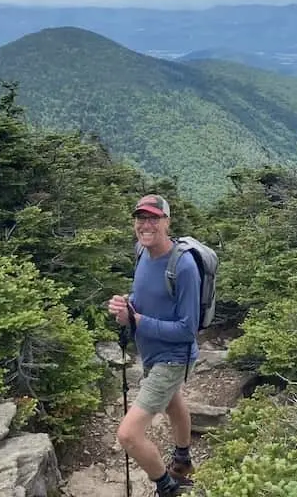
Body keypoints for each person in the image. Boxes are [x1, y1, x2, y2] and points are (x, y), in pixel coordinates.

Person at [108, 194, 200, 497]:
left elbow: (188, 330)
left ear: (167, 222)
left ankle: (167, 487)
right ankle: (183, 461)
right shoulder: (141, 252)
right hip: (150, 352)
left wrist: (140, 321)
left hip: (173, 358)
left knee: (128, 435)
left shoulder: (183, 267)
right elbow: (142, 297)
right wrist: (126, 309)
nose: (146, 225)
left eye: (153, 218)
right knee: (173, 401)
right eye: (141, 218)